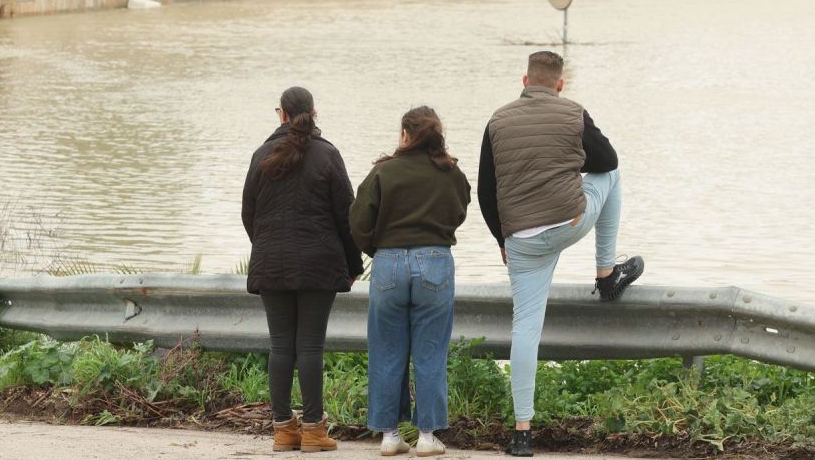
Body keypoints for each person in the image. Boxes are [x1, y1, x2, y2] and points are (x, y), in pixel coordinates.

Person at [477, 51, 644, 457]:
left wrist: (502, 239)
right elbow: (608, 160)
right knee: (613, 176)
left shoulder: (497, 121)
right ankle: (606, 274)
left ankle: (521, 434)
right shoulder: (573, 112)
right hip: (569, 221)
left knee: (526, 329)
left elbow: (485, 190)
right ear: (559, 83)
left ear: (524, 80)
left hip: (520, 238)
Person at [242, 86, 365, 454]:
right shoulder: (327, 155)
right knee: (310, 346)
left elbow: (249, 214)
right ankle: (313, 431)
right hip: (318, 264)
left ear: (280, 113)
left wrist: (266, 245)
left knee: (281, 346)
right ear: (313, 112)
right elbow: (348, 215)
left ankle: (282, 431)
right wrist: (353, 263)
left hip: (272, 262)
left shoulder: (261, 154)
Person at [350, 106, 471, 458]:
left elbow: (358, 222)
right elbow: (461, 209)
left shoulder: (383, 172)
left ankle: (389, 435)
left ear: (405, 134)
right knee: (430, 352)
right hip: (434, 260)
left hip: (388, 263)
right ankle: (428, 436)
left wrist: (380, 249)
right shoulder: (451, 172)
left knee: (387, 350)